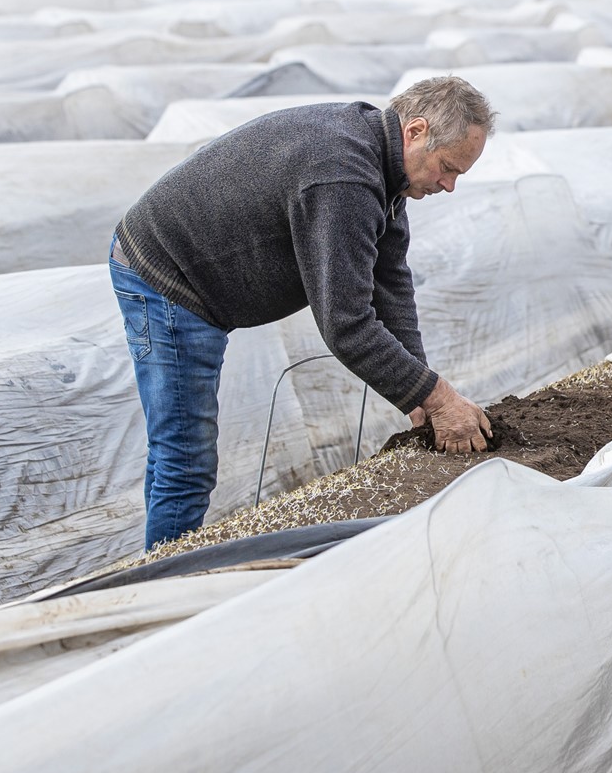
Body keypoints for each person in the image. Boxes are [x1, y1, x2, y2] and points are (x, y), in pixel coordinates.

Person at [109, 75, 496, 550]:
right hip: (169, 276)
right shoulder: (343, 174)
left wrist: (418, 396)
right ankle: (159, 592)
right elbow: (346, 324)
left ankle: (157, 570)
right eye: (447, 168)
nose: (449, 185)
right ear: (415, 132)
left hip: (196, 270)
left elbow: (390, 283)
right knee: (185, 460)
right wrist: (438, 399)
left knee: (176, 455)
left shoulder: (380, 162)